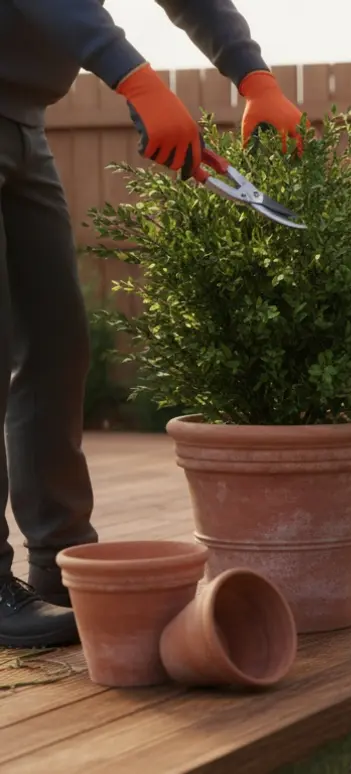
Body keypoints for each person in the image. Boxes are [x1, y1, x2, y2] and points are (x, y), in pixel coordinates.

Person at [0, 0, 304, 648]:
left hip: (22, 124)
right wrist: (137, 80)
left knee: (57, 345)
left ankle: (60, 564)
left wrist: (254, 77)